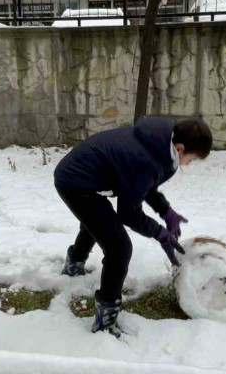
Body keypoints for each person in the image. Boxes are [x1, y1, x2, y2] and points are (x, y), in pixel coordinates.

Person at [54, 116, 213, 336]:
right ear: (180, 147)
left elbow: (145, 185)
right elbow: (128, 213)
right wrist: (159, 233)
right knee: (119, 247)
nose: (190, 164)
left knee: (99, 221)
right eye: (192, 159)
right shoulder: (146, 157)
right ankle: (105, 319)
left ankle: (74, 264)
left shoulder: (160, 144)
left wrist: (166, 211)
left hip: (89, 177)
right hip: (74, 182)